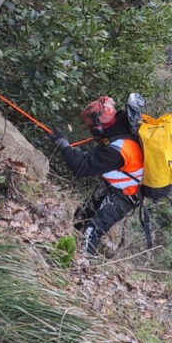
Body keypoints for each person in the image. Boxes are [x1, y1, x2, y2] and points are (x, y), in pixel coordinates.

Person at [50, 96, 143, 255]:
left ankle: (84, 266)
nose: (89, 130)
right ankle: (64, 251)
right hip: (110, 186)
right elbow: (91, 158)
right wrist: (71, 150)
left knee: (92, 231)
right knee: (81, 217)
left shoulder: (118, 149)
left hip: (125, 196)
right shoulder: (116, 133)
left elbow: (81, 169)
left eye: (90, 126)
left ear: (99, 125)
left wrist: (64, 147)